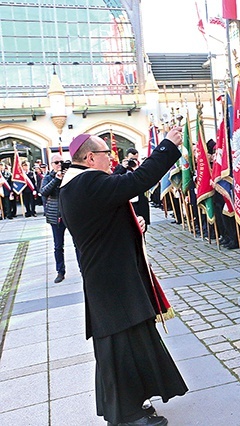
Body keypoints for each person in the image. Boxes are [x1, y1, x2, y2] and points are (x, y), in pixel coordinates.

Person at [59, 130, 188, 426]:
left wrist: (133, 223)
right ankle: (127, 416)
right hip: (112, 281)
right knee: (119, 350)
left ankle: (133, 405)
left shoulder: (77, 184)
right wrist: (168, 146)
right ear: (90, 158)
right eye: (106, 154)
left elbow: (104, 221)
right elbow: (137, 181)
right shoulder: (89, 181)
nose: (111, 159)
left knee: (129, 345)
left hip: (109, 277)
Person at [40, 154, 70, 283]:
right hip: (56, 216)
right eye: (56, 162)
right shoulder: (48, 177)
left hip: (70, 213)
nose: (59, 164)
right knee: (58, 245)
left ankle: (83, 269)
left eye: (61, 162)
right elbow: (44, 192)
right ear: (52, 165)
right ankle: (60, 271)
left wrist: (68, 176)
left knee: (78, 244)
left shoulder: (69, 175)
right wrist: (56, 179)